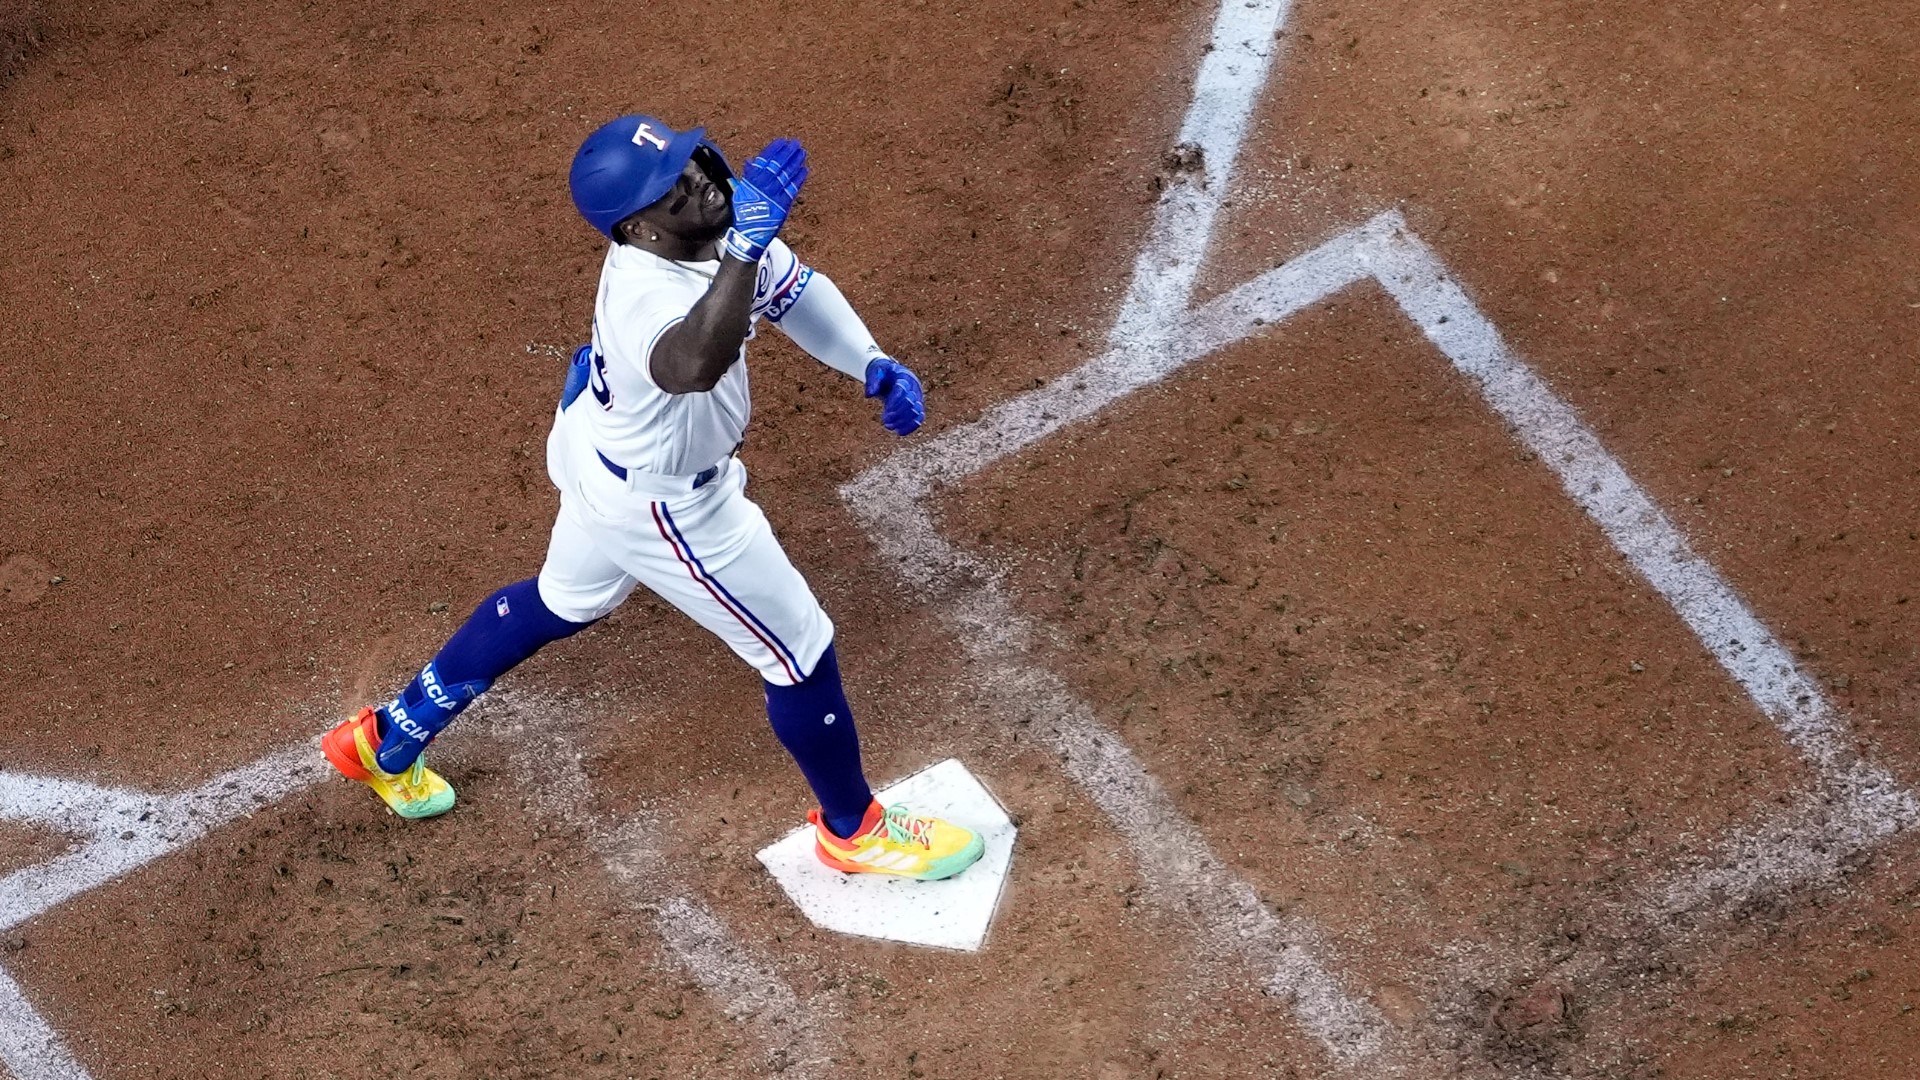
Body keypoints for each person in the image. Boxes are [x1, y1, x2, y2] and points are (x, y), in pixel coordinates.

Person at [320, 115, 983, 882]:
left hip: (601, 456)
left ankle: (386, 738)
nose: (700, 178)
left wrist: (871, 360)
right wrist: (744, 248)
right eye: (673, 187)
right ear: (641, 229)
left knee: (563, 600)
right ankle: (854, 831)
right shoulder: (647, 287)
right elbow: (695, 362)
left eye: (689, 160)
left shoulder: (711, 236)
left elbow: (796, 293)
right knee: (798, 653)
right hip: (668, 507)